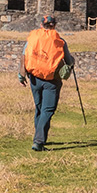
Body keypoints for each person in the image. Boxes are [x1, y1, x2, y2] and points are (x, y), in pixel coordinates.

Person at [18, 15, 75, 151]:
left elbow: (24, 56)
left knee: (39, 108)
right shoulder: (59, 41)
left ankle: (39, 137)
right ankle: (38, 141)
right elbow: (69, 61)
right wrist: (72, 61)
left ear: (41, 25)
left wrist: (21, 75)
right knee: (47, 110)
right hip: (52, 81)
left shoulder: (33, 37)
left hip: (34, 78)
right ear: (54, 25)